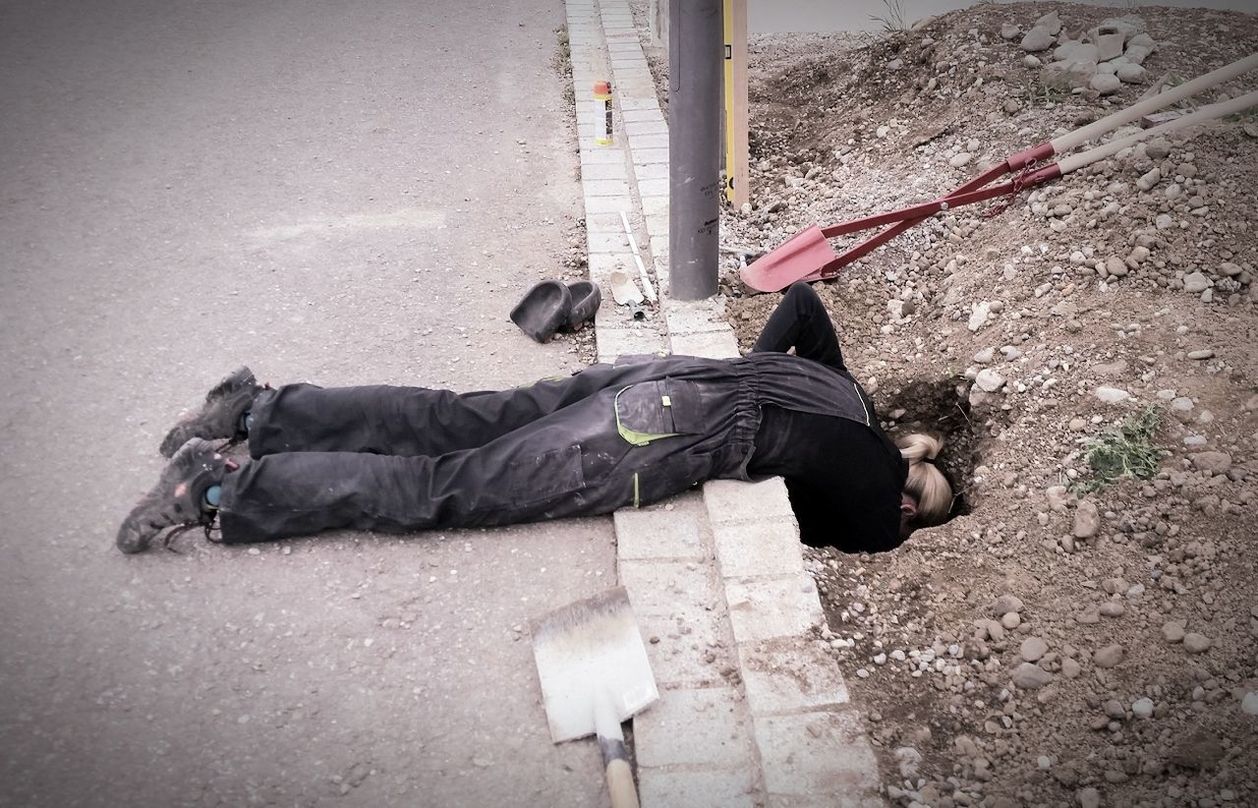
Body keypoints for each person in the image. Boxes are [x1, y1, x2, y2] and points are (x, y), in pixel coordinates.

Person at [116, 283, 953, 555]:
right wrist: (889, 511)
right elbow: (866, 529)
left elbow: (803, 303)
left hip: (664, 377)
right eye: (918, 508)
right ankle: (222, 488)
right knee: (453, 487)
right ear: (909, 491)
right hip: (667, 428)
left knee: (456, 421)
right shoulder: (879, 486)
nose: (905, 517)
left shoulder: (849, 395)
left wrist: (755, 372)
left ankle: (261, 410)